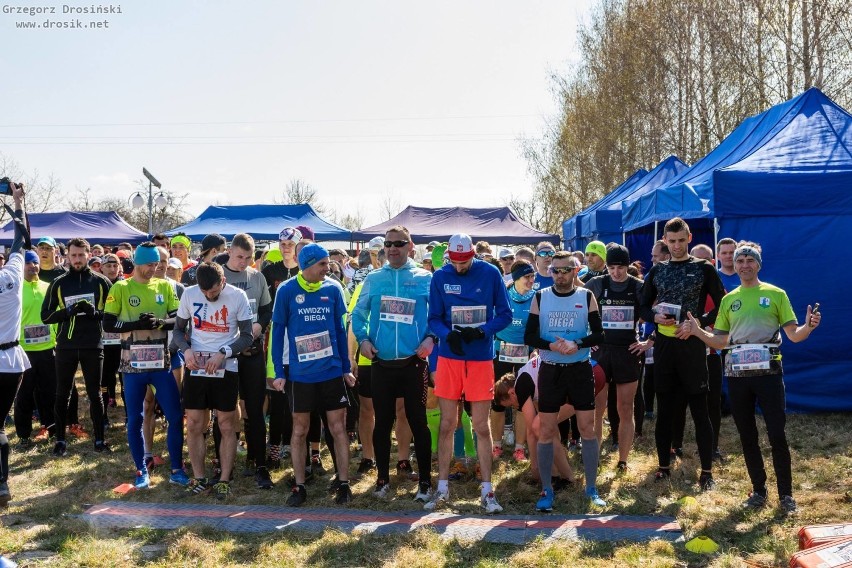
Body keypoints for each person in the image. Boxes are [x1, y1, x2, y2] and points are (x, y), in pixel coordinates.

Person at [685, 241, 821, 515]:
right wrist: (699, 332)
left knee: (776, 434)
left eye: (750, 261)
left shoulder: (775, 294)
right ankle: (758, 489)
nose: (745, 265)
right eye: (739, 261)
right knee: (747, 434)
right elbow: (721, 341)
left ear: (758, 264)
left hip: (769, 375)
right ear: (733, 266)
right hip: (738, 377)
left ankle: (786, 494)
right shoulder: (728, 299)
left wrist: (809, 327)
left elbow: (794, 335)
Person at [426, 233, 512, 513]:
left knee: (480, 426)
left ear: (473, 255)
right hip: (451, 358)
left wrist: (483, 330)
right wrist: (445, 335)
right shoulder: (440, 277)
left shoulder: (490, 273)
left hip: (479, 359)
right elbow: (434, 318)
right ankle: (441, 489)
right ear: (449, 256)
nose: (460, 266)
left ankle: (488, 491)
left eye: (465, 261)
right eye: (456, 261)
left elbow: (505, 314)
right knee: (448, 424)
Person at [638, 217, 725, 490]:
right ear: (665, 241)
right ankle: (663, 466)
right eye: (671, 241)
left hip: (692, 345)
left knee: (700, 409)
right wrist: (654, 316)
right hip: (665, 348)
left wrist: (699, 324)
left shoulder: (704, 268)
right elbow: (641, 306)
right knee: (665, 409)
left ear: (689, 238)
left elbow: (722, 302)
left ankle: (707, 471)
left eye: (680, 240)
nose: (676, 246)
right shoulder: (658, 270)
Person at [352, 226, 435, 502]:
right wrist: (363, 339)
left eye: (398, 243)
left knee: (417, 421)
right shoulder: (374, 279)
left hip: (413, 363)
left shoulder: (425, 278)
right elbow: (358, 314)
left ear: (410, 246)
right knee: (382, 422)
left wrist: (431, 338)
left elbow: (438, 315)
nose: (392, 248)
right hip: (382, 363)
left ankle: (424, 483)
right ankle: (382, 480)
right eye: (388, 244)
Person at [271, 244, 356, 507]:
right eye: (322, 264)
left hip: (331, 372)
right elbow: (278, 332)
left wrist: (345, 368)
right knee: (300, 430)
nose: (328, 268)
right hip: (300, 375)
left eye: (328, 263)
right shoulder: (286, 290)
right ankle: (299, 486)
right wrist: (278, 370)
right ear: (307, 265)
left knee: (338, 428)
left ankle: (343, 483)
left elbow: (341, 332)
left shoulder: (333, 288)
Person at [524, 252, 606, 510]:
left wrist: (577, 343)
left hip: (580, 369)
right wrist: (552, 345)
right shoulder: (540, 296)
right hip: (551, 370)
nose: (559, 275)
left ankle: (591, 488)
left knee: (587, 429)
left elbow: (599, 334)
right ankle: (547, 490)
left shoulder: (586, 296)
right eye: (555, 270)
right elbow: (529, 336)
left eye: (565, 270)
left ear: (575, 270)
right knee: (546, 430)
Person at [103, 243, 189, 489]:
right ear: (138, 263)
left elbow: (177, 321)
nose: (155, 269)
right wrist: (136, 325)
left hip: (162, 363)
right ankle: (141, 469)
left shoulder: (164, 286)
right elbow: (108, 324)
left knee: (174, 415)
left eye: (158, 265)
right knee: (135, 418)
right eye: (150, 264)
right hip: (133, 366)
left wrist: (160, 322)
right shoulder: (121, 287)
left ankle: (177, 468)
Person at [173, 262, 254, 499]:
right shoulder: (189, 294)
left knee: (227, 425)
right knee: (195, 425)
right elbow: (178, 331)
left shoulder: (237, 296)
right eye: (205, 292)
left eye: (214, 292)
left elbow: (248, 336)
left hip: (226, 367)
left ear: (223, 282)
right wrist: (186, 350)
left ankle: (224, 479)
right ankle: (199, 477)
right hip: (196, 368)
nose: (209, 296)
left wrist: (225, 352)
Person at [41, 238, 113, 457]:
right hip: (66, 346)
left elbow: (112, 315)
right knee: (62, 394)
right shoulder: (59, 283)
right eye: (73, 255)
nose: (78, 259)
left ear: (89, 255)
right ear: (67, 256)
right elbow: (46, 316)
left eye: (81, 255)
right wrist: (67, 312)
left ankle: (99, 439)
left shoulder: (101, 282)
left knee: (95, 394)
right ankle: (60, 440)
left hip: (93, 345)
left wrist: (95, 313)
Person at [221, 233, 274, 489]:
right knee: (225, 411)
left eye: (248, 258)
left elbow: (266, 309)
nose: (243, 262)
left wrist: (259, 325)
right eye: (239, 257)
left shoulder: (257, 277)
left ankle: (260, 463)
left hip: (252, 352)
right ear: (230, 252)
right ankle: (223, 465)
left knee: (254, 409)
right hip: (226, 353)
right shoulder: (219, 276)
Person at [585, 244, 643, 471]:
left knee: (625, 408)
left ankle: (623, 460)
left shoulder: (639, 287)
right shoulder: (596, 284)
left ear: (628, 266)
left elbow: (657, 313)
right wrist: (588, 338)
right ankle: (595, 455)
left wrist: (649, 341)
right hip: (601, 352)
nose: (616, 272)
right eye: (611, 267)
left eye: (621, 267)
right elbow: (579, 311)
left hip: (628, 352)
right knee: (597, 408)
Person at [0, 183, 31, 505]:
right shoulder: (11, 275)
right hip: (10, 360)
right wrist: (18, 203)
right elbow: (20, 239)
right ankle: (2, 483)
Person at [492, 259, 536, 462]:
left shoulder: (537, 297)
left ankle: (520, 447)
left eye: (533, 276)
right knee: (498, 402)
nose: (531, 280)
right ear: (517, 278)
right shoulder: (503, 295)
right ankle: (497, 445)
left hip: (525, 354)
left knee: (522, 402)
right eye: (527, 276)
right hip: (501, 352)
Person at [15, 250, 58, 448]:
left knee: (49, 391)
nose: (33, 266)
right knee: (24, 393)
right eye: (28, 263)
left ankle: (50, 426)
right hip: (24, 350)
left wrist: (56, 337)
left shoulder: (48, 287)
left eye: (35, 263)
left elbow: (55, 314)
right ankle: (23, 433)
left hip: (48, 349)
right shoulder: (14, 288)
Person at [262, 227, 302, 297]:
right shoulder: (270, 270)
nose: (286, 247)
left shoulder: (305, 270)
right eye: (283, 244)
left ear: (297, 246)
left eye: (290, 244)